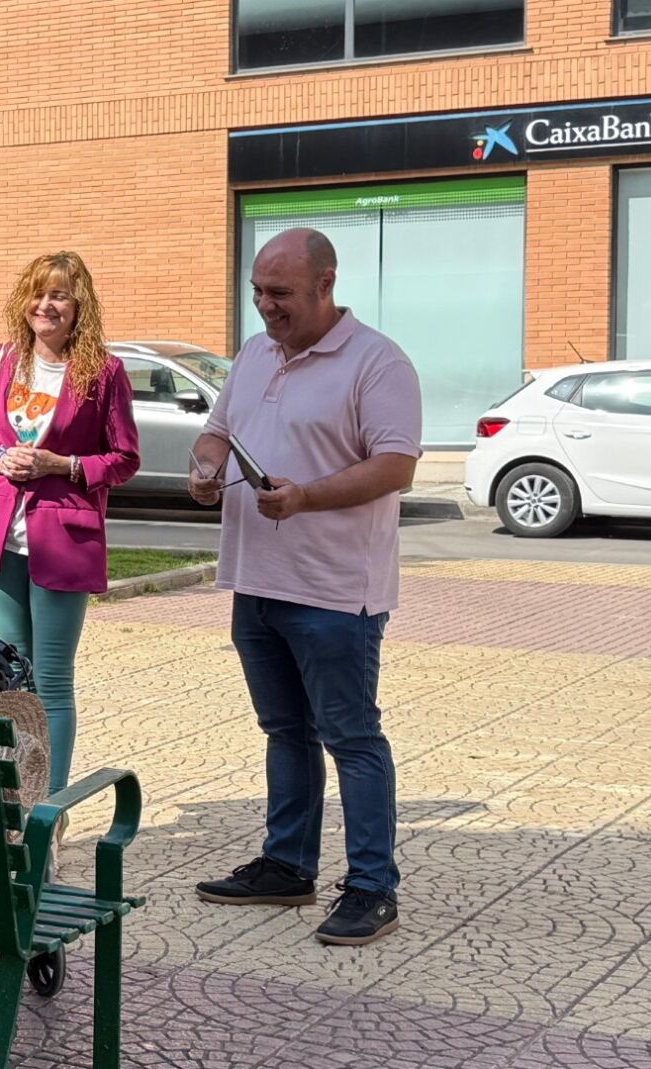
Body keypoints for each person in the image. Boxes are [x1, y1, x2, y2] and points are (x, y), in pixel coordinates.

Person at [188, 227, 421, 947]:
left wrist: (307, 496)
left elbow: (396, 465)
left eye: (280, 293)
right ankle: (287, 866)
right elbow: (217, 432)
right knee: (285, 731)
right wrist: (205, 466)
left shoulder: (377, 362)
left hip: (335, 593)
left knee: (352, 737)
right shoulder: (254, 354)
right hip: (255, 581)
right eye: (258, 291)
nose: (266, 306)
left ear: (326, 283)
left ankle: (373, 887)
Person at [0, 251, 139, 801]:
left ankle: (49, 809)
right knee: (14, 678)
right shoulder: (0, 361)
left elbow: (124, 458)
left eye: (59, 294)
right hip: (1, 536)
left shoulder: (103, 371)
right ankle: (16, 800)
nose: (46, 305)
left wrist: (65, 465)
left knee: (52, 679)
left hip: (65, 539)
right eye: (38, 293)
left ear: (79, 305)